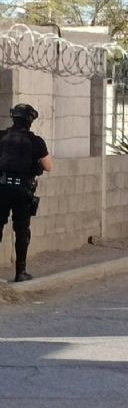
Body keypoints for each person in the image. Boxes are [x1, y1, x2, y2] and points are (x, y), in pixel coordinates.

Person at [0, 104, 52, 282]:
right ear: (30, 121)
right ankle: (20, 272)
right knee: (22, 230)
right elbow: (48, 167)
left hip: (1, 188)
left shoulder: (2, 136)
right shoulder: (36, 141)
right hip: (23, 191)